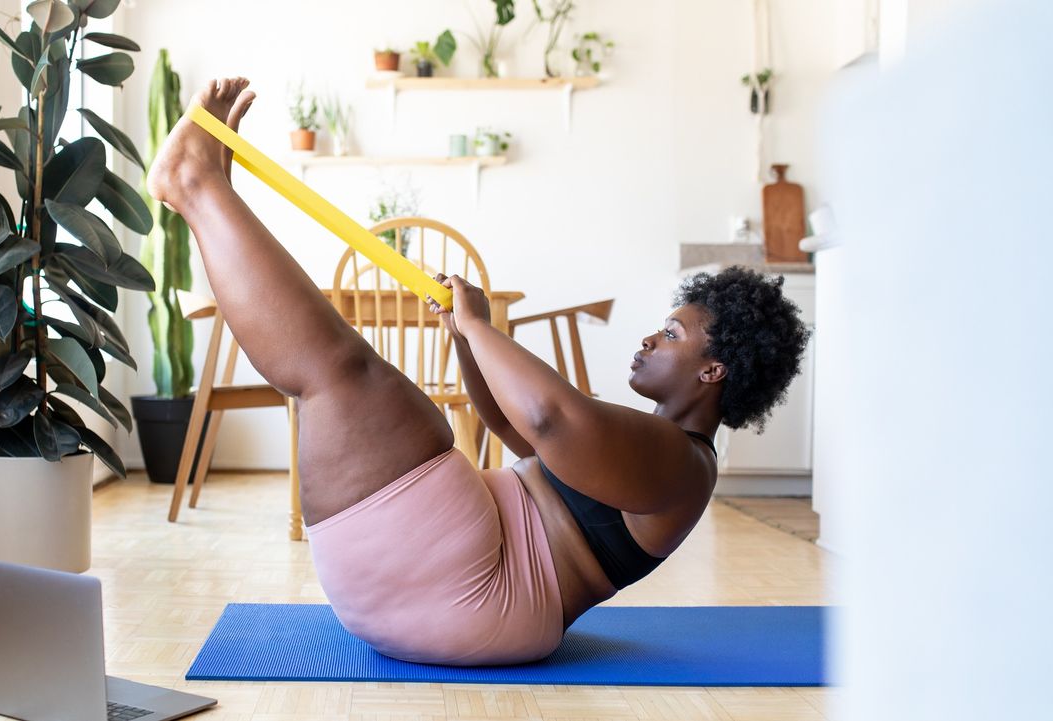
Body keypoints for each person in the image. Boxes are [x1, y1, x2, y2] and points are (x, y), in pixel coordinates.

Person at [147, 78, 810, 666]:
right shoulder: (657, 448)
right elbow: (511, 424)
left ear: (713, 369)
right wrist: (465, 337)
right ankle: (207, 190)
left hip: (472, 593)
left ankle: (196, 187)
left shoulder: (682, 466)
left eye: (671, 333)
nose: (649, 338)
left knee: (345, 372)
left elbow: (551, 418)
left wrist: (479, 328)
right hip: (450, 586)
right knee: (350, 378)